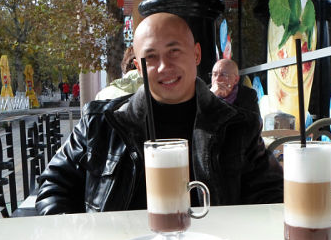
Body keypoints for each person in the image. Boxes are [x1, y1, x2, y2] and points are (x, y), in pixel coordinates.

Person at [36, 12, 282, 215]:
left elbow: (270, 197)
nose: (165, 66)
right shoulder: (100, 123)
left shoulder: (238, 126)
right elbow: (54, 186)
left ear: (196, 54)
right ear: (138, 67)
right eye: (151, 57)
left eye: (174, 51)